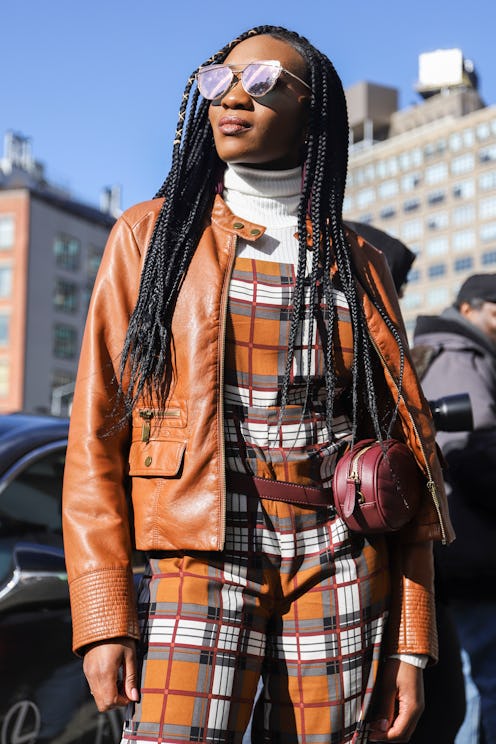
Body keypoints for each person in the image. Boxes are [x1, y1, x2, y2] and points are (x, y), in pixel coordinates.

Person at [62, 25, 454, 744]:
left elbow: (403, 460)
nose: (234, 95)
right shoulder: (151, 239)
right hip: (196, 555)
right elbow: (95, 439)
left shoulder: (356, 260)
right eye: (217, 81)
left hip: (340, 558)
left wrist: (410, 639)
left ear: (315, 112)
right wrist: (104, 615)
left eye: (266, 81)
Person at [414, 273, 496, 744]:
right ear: (468, 309)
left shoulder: (456, 352)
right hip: (470, 552)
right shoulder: (459, 356)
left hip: (464, 550)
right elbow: (470, 453)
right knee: (474, 682)